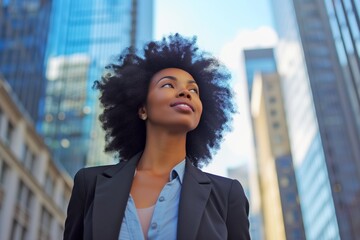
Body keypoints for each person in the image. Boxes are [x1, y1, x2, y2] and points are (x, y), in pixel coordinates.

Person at [63, 34, 250, 240]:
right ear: (142, 109)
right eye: (168, 85)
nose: (185, 93)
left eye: (193, 90)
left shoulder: (227, 194)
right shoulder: (90, 184)